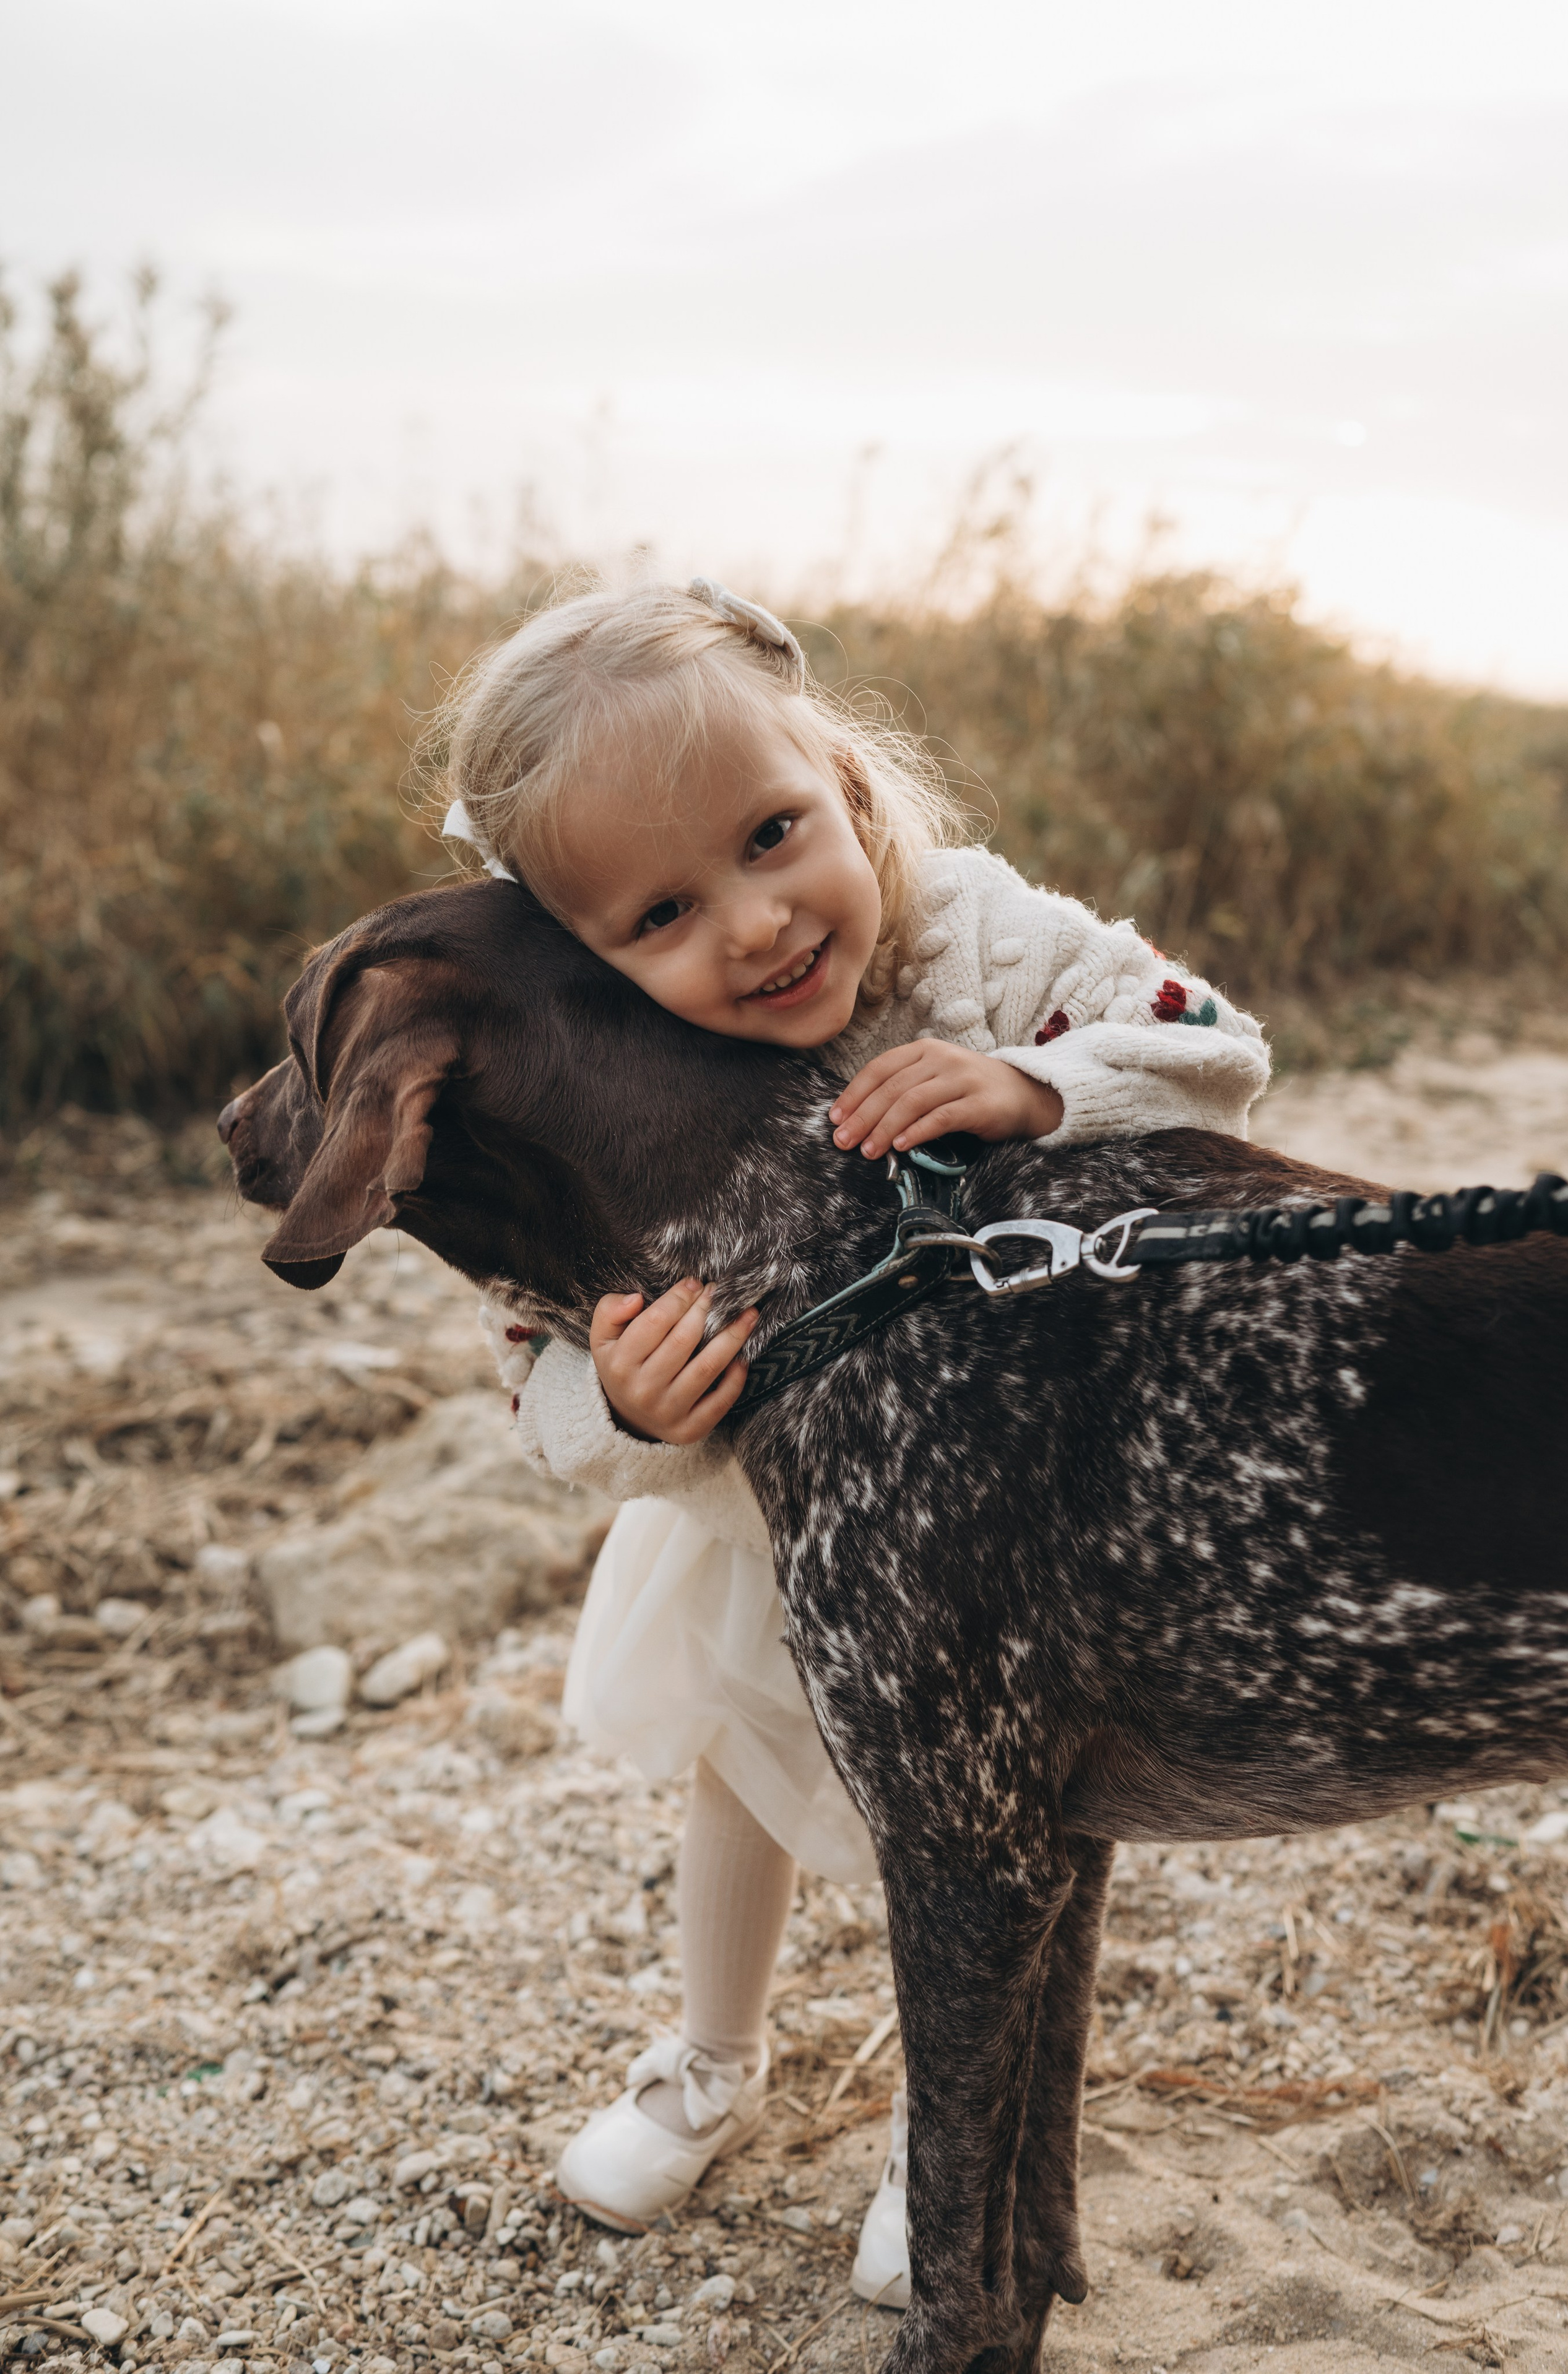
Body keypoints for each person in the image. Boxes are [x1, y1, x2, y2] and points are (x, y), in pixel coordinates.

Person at [438, 576, 1268, 2296]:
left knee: (962, 1832)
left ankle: (934, 2128)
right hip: (771, 1545)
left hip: (1017, 1532)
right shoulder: (628, 1085)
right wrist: (624, 1395)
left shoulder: (988, 942)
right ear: (586, 962)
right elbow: (533, 1365)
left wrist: (1046, 1086)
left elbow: (1217, 1052)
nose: (751, 924)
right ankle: (711, 2056)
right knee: (745, 1775)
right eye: (665, 909)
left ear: (847, 775)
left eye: (772, 833)